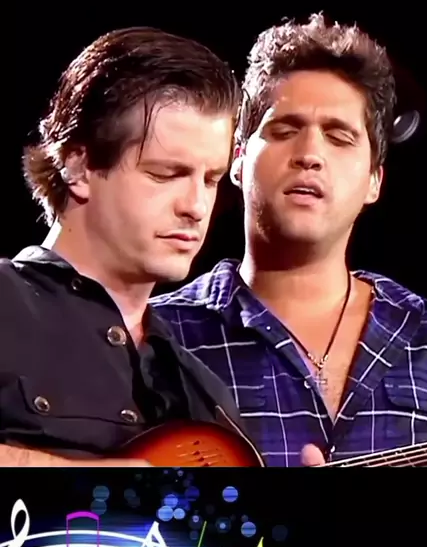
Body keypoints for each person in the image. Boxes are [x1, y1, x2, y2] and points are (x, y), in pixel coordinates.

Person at [151, 13, 427, 467]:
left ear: (374, 180)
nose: (309, 155)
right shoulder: (155, 338)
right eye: (285, 131)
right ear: (238, 160)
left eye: (339, 137)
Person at [0, 26, 247, 467]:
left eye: (211, 179)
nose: (196, 207)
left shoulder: (209, 396)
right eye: (165, 174)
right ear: (78, 167)